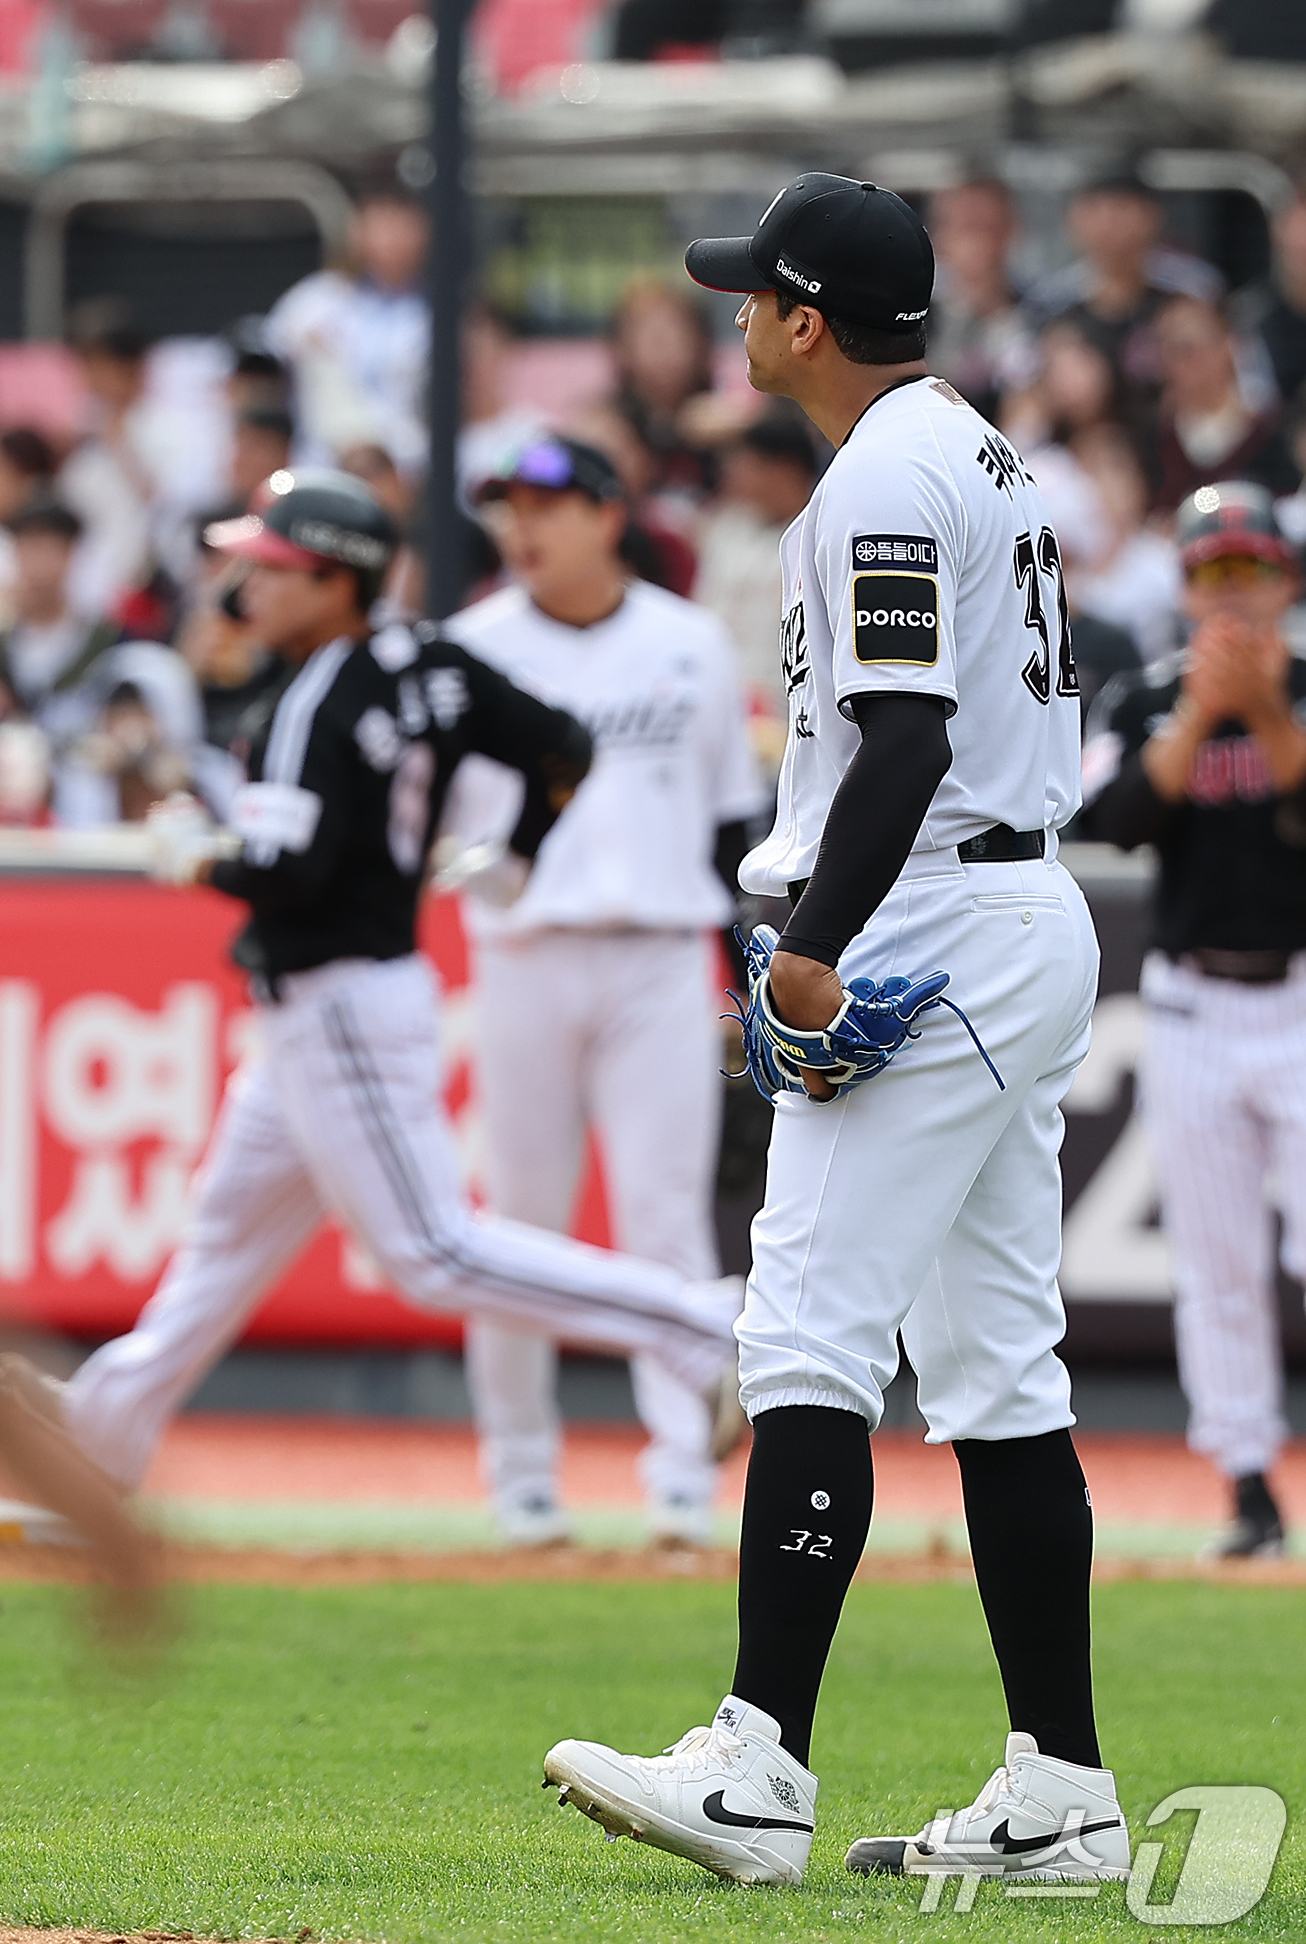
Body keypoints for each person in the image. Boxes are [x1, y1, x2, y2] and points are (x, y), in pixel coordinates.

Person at [543, 172, 1126, 1888]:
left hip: (932, 909)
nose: (732, 315)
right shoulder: (969, 443)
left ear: (804, 317)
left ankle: (757, 1762)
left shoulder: (877, 472)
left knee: (804, 1329)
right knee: (999, 1372)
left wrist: (811, 945)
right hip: (1010, 900)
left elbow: (905, 741)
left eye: (751, 294)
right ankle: (1062, 1792)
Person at [13, 470, 738, 1504]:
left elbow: (289, 875)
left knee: (434, 1252)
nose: (244, 585)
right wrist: (518, 854)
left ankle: (704, 1324)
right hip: (335, 1002)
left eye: (269, 567)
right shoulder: (428, 658)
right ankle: (101, 1434)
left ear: (333, 579)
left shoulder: (314, 694)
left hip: (339, 998)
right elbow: (564, 748)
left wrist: (196, 856)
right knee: (224, 1240)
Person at [444, 436, 765, 1547]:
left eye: (545, 503)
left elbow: (732, 821)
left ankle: (681, 1470)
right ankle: (519, 1476)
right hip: (523, 950)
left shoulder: (686, 641)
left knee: (660, 1217)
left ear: (606, 513)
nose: (521, 527)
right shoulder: (471, 644)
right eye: (507, 507)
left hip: (659, 952)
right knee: (514, 1228)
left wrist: (745, 972)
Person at [1079, 481, 1306, 1558]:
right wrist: (1201, 715)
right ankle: (1249, 1488)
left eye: (1249, 570)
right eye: (1213, 573)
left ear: (1285, 581)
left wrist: (1263, 713)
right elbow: (1112, 821)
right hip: (1189, 1001)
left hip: (1299, 991)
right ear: (1184, 585)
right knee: (1216, 1265)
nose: (1232, 593)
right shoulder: (1143, 696)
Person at [0, 498, 201, 826]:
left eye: (49, 549)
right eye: (28, 549)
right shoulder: (4, 644)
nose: (37, 565)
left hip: (93, 798)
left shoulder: (112, 641)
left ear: (71, 555)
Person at [265, 187, 430, 474]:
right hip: (320, 468)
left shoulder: (439, 313)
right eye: (379, 223)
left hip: (405, 474)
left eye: (400, 225)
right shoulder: (314, 301)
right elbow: (261, 379)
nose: (389, 238)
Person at [694, 411, 821, 747]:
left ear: (784, 469)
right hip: (719, 702)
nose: (732, 473)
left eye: (746, 463)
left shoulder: (821, 535)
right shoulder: (725, 529)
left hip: (793, 714)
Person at [1029, 171, 1221, 392]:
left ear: (1152, 216)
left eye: (1120, 209)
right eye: (1094, 210)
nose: (1108, 223)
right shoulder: (1053, 299)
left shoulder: (1193, 287)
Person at [1152, 297, 1299, 514]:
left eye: (1190, 348)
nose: (1184, 362)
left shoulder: (1270, 431)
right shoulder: (1155, 441)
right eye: (1171, 350)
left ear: (1227, 348)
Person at [927, 177, 1036, 425]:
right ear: (940, 236)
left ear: (1011, 232)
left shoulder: (1038, 311)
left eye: (986, 229)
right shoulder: (920, 313)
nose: (976, 245)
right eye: (964, 228)